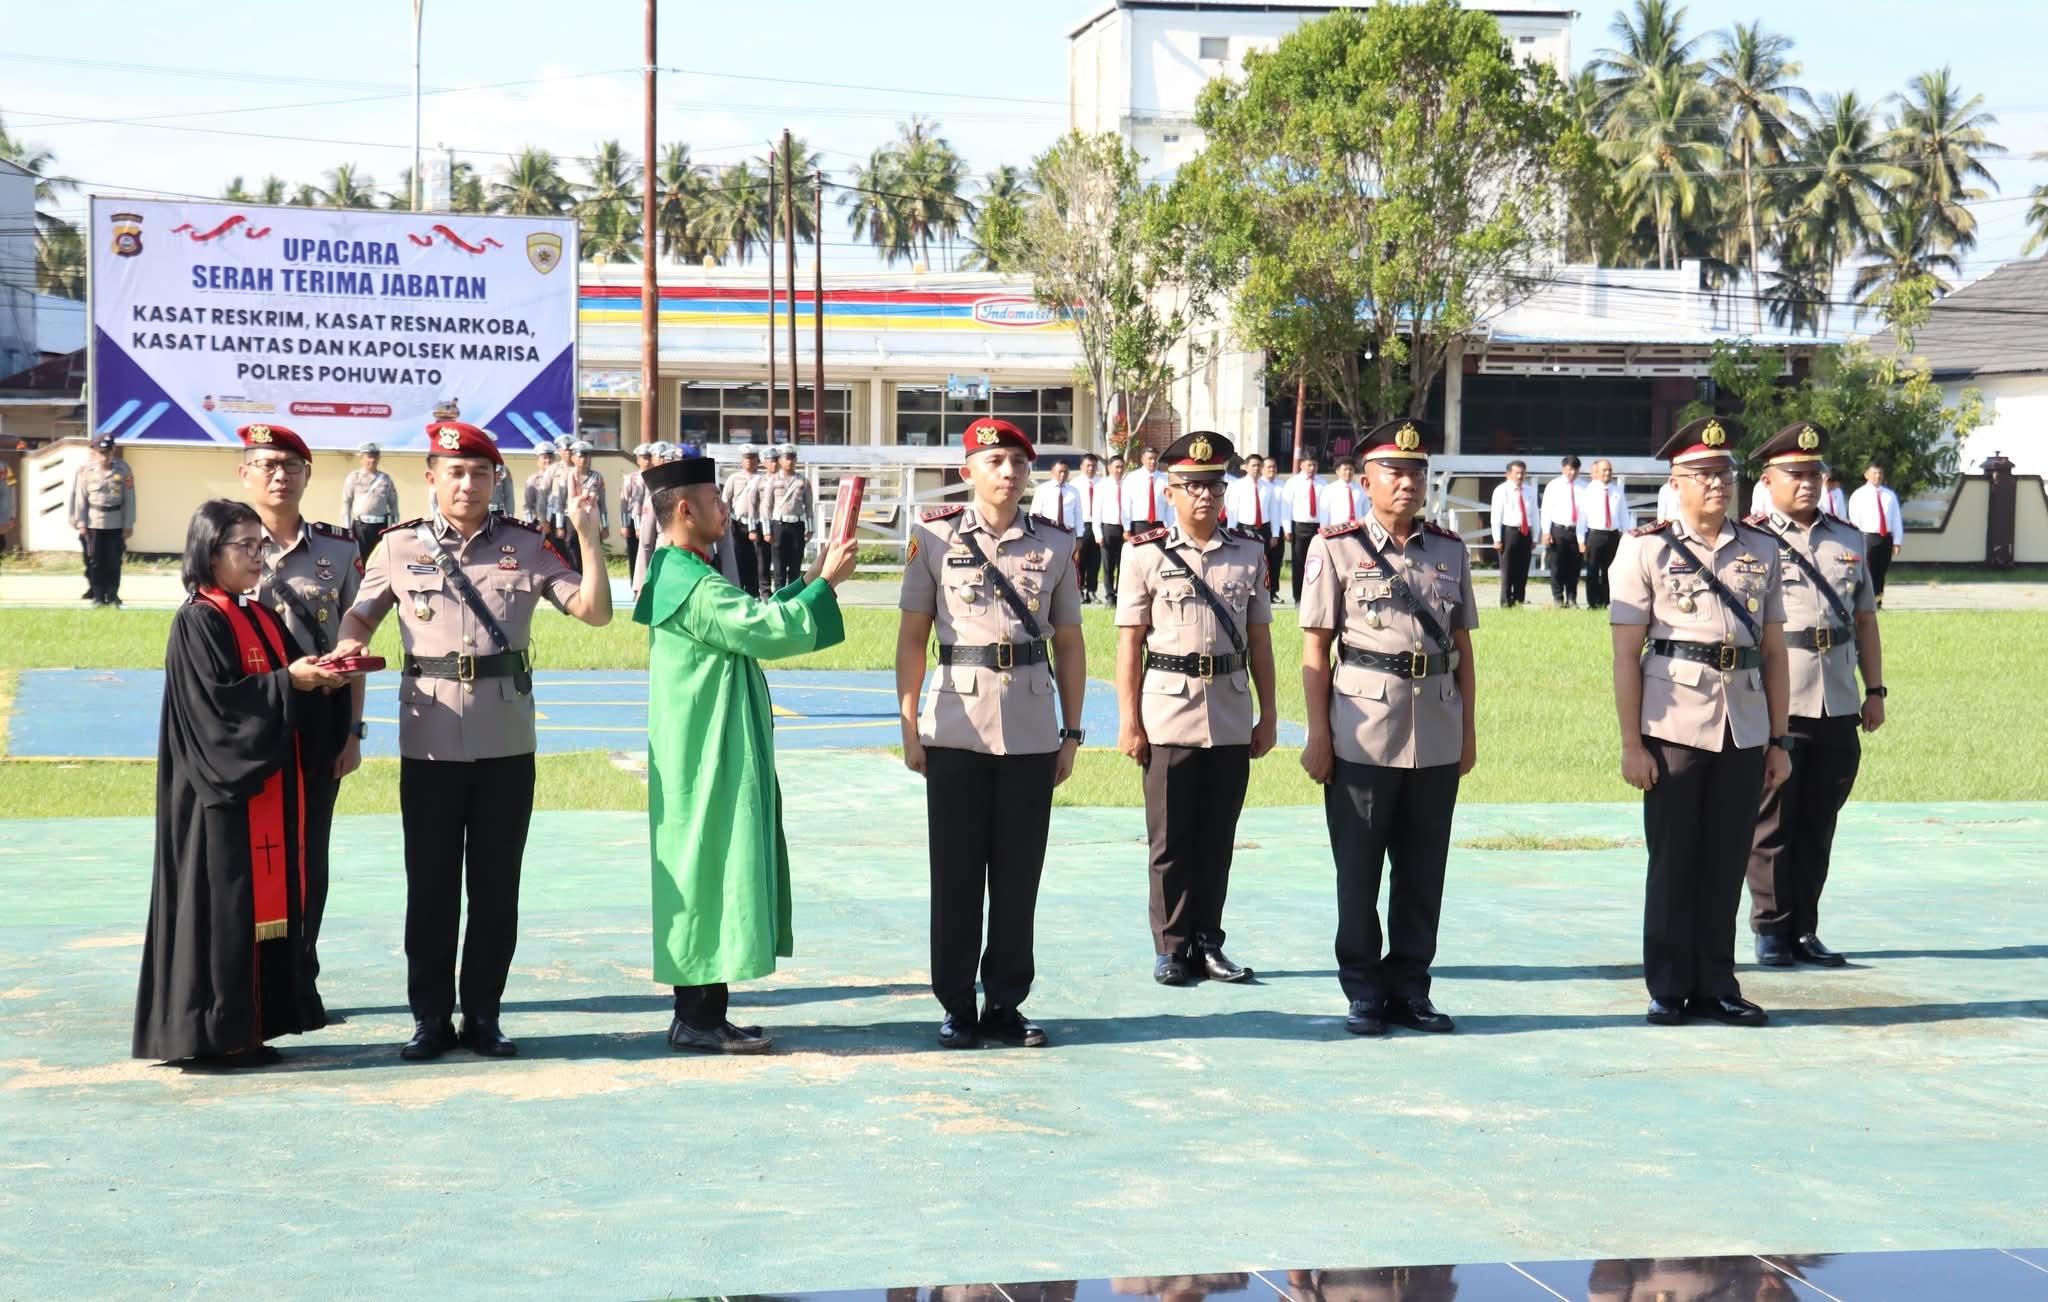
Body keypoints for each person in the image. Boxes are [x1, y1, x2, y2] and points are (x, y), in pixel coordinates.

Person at [332, 420, 614, 1062]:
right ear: (431, 478)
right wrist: (350, 643)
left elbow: (594, 612)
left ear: (495, 480)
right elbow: (361, 614)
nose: (467, 484)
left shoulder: (528, 545)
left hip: (505, 743)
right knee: (430, 886)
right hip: (429, 740)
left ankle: (483, 1014)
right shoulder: (398, 547)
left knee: (495, 886)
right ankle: (430, 1018)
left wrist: (589, 537)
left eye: (480, 473)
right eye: (455, 472)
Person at [636, 455, 860, 1053]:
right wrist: (826, 585)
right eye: (714, 499)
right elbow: (764, 629)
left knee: (709, 871)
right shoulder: (694, 582)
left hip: (704, 747)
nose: (725, 508)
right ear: (686, 509)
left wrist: (810, 581)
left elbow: (750, 619)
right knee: (710, 872)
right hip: (709, 752)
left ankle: (703, 1014)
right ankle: (697, 1018)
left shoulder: (683, 572)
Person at [133, 499, 348, 1066]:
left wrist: (328, 678)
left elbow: (291, 680)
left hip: (268, 792)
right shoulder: (198, 620)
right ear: (210, 552)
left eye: (261, 546)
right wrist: (288, 684)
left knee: (260, 908)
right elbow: (218, 712)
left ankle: (254, 1025)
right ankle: (212, 1033)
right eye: (245, 547)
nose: (258, 557)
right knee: (222, 906)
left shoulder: (261, 616)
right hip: (218, 799)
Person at [896, 417, 1086, 1050]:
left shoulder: (1056, 544)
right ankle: (956, 1004)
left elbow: (1070, 643)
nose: (1009, 472)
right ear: (967, 472)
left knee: (1017, 878)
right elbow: (912, 639)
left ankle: (1005, 1003)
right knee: (954, 876)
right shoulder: (932, 536)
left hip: (1031, 730)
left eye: (1019, 463)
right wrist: (908, 725)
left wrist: (1072, 732)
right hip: (955, 727)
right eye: (996, 461)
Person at [1609, 416, 1791, 1028]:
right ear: (1676, 483)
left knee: (1725, 859)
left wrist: (1778, 739)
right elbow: (1626, 656)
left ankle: (1717, 983)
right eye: (1703, 474)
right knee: (1673, 861)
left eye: (1724, 473)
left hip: (1744, 724)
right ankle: (1667, 985)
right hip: (1674, 726)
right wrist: (1632, 744)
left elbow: (1774, 653)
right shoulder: (1645, 548)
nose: (1717, 483)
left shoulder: (1762, 548)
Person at [1299, 419, 1477, 1037]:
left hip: (1436, 727)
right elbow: (1316, 648)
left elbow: (1462, 648)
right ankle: (1364, 990)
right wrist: (1318, 736)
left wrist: (1468, 733)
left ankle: (1411, 987)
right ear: (1365, 481)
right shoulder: (1335, 548)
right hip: (1362, 730)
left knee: (1423, 871)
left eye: (1416, 472)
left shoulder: (1449, 550)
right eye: (1394, 472)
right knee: (1359, 870)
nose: (1407, 483)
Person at [1116, 431, 1277, 985]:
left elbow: (1260, 641)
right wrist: (1129, 721)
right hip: (1168, 713)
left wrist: (1269, 714)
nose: (1205, 495)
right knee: (1170, 841)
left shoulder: (1249, 552)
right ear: (1170, 492)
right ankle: (1171, 946)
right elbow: (1129, 644)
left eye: (1213, 485)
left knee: (1217, 838)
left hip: (1229, 710)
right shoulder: (1143, 553)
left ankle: (1208, 942)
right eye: (1192, 486)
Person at [1744, 423, 1886, 968]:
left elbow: (1865, 620)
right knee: (1772, 822)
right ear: (1768, 480)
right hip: (1779, 700)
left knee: (1819, 822)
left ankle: (1805, 927)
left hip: (1838, 698)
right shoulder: (1751, 539)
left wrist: (1875, 690)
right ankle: (1771, 928)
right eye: (1795, 474)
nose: (1808, 483)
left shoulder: (1848, 538)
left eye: (1815, 474)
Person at [237, 423, 365, 996]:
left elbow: (353, 647)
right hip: (248, 717)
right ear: (245, 473)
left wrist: (353, 732)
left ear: (308, 476)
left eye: (291, 465)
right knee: (247, 850)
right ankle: (249, 979)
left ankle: (299, 977)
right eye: (266, 464)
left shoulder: (339, 549)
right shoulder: (224, 545)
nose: (279, 476)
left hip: (318, 720)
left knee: (309, 851)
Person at [70, 434, 135, 607]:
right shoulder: (87, 471)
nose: (105, 456)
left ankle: (112, 595)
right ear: (96, 452)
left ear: (113, 451)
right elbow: (81, 498)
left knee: (114, 561)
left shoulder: (123, 469)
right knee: (95, 561)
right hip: (94, 523)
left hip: (115, 522)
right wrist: (81, 522)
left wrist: (128, 524)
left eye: (108, 452)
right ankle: (98, 595)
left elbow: (130, 498)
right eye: (101, 452)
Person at [1578, 458, 1633, 609]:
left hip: (1612, 535)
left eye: (1609, 470)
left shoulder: (1616, 491)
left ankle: (1606, 601)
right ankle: (1592, 603)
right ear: (1597, 472)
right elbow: (1582, 517)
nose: (1607, 473)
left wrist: (1625, 534)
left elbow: (1623, 514)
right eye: (1604, 470)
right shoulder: (1589, 491)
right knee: (1593, 570)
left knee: (1610, 570)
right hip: (1595, 534)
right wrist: (1581, 539)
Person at [1847, 463, 1904, 607]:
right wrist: (1856, 539)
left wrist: (1897, 541)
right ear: (1866, 475)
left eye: (1880, 473)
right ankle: (1865, 601)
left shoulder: (1889, 495)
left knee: (1881, 570)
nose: (1878, 476)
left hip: (1885, 537)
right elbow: (1854, 519)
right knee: (1868, 571)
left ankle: (1878, 600)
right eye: (1874, 473)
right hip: (1868, 537)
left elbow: (1896, 518)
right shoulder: (1859, 495)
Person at [1489, 460, 1539, 607]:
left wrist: (1535, 536)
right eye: (1516, 473)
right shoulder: (1501, 490)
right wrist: (1497, 538)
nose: (1519, 476)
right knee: (1508, 569)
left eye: (1522, 473)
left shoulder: (1530, 490)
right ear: (1508, 474)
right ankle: (1505, 601)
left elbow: (1535, 515)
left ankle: (1518, 600)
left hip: (1525, 532)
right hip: (1509, 531)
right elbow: (1496, 516)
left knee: (1522, 568)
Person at [340, 442, 400, 563]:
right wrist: (346, 528)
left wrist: (395, 526)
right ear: (361, 458)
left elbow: (393, 504)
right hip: (361, 527)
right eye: (369, 456)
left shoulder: (385, 479)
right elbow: (346, 503)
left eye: (375, 456)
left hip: (381, 527)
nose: (372, 460)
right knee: (360, 560)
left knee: (380, 560)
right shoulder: (354, 478)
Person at [768, 444, 814, 590]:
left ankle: (793, 594)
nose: (790, 461)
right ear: (780, 460)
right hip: (779, 525)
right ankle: (779, 595)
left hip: (797, 525)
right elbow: (767, 506)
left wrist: (811, 529)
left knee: (795, 565)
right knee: (779, 565)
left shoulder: (803, 481)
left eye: (793, 458)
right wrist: (766, 530)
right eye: (786, 458)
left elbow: (809, 506)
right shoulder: (773, 480)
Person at [1542, 455, 1585, 607]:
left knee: (1574, 566)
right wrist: (1546, 531)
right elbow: (1546, 509)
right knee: (1557, 565)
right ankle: (1558, 598)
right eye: (1569, 469)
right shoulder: (1554, 485)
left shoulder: (1584, 486)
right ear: (1563, 469)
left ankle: (1572, 598)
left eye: (1575, 470)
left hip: (1577, 530)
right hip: (1558, 529)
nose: (1572, 473)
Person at [722, 445, 766, 597]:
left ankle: (754, 593)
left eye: (752, 458)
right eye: (746, 458)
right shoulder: (734, 478)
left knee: (756, 561)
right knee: (738, 559)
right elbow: (726, 500)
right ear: (742, 460)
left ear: (757, 460)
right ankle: (739, 591)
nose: (749, 461)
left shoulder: (763, 479)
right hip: (737, 524)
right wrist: (727, 521)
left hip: (758, 525)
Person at [1282, 455, 1325, 604]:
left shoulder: (1322, 483)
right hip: (1300, 526)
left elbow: (1326, 508)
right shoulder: (1293, 483)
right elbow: (1286, 507)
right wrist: (1287, 529)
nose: (1312, 468)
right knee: (1299, 562)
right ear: (1301, 465)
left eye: (1314, 465)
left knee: (1318, 562)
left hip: (1318, 526)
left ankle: (1316, 596)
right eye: (1309, 465)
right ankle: (1299, 596)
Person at [560, 440, 609, 573]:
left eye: (587, 456)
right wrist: (559, 525)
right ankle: (575, 576)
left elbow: (602, 503)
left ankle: (590, 576)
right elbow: (561, 501)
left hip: (591, 517)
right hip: (572, 518)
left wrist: (605, 526)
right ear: (573, 458)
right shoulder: (569, 475)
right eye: (580, 456)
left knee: (591, 549)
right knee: (572, 548)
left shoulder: (597, 477)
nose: (584, 459)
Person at [1075, 453, 1107, 602]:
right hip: (1082, 524)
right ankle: (1079, 590)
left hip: (1099, 524)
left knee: (1095, 560)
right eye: (1088, 465)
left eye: (1094, 465)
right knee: (1081, 559)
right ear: (1081, 466)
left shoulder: (1102, 483)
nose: (1091, 468)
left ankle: (1092, 590)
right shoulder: (1075, 484)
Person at [1097, 454, 1129, 602]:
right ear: (1109, 468)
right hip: (1109, 528)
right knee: (1108, 563)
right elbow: (1097, 510)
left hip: (1126, 528)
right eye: (1116, 467)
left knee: (1124, 562)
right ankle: (1110, 595)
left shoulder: (1129, 485)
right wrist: (1098, 533)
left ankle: (1122, 593)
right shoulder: (1102, 486)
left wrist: (1128, 529)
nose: (1119, 470)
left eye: (1122, 466)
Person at [1121, 444, 1172, 532]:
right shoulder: (1132, 478)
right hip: (1139, 525)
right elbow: (1126, 504)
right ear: (1142, 460)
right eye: (1150, 458)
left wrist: (1170, 526)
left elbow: (1170, 505)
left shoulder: (1165, 479)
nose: (1153, 461)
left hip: (1160, 525)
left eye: (1155, 458)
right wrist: (1126, 528)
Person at [619, 442, 652, 571]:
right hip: (634, 521)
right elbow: (625, 504)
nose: (647, 461)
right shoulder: (631, 478)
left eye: (649, 457)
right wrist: (624, 525)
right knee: (634, 554)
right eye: (644, 458)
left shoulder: (656, 476)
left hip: (651, 520)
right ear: (637, 460)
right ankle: (635, 581)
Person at [1030, 457, 1084, 534]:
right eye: (1060, 472)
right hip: (1048, 531)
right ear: (1052, 472)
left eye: (1065, 472)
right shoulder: (1042, 489)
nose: (1063, 474)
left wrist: (1079, 534)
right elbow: (1035, 513)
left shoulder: (1074, 491)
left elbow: (1078, 514)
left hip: (1069, 531)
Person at [1318, 457, 1366, 527]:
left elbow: (1366, 511)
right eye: (1345, 469)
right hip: (1337, 529)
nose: (1348, 472)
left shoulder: (1361, 489)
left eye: (1351, 469)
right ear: (1337, 471)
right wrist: (1324, 528)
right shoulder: (1329, 489)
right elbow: (1324, 513)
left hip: (1358, 528)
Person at [522, 444, 558, 529]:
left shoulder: (561, 477)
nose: (548, 460)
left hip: (559, 522)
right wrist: (530, 527)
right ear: (538, 461)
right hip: (540, 523)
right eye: (544, 458)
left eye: (550, 457)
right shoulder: (533, 480)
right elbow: (528, 506)